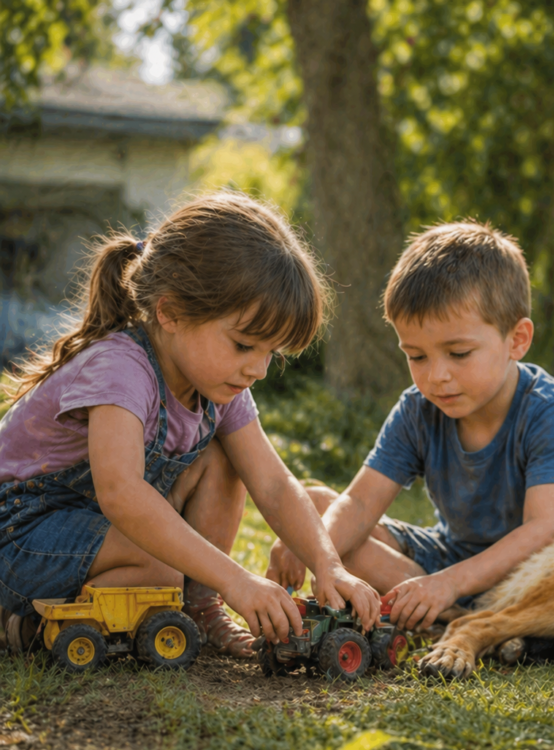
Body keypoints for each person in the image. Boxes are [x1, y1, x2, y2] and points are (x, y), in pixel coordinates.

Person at [0, 192, 379, 657]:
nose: (258, 369)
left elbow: (275, 484)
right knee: (158, 567)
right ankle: (29, 622)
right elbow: (121, 493)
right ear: (170, 311)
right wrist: (237, 579)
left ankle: (198, 606)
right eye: (244, 345)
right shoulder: (121, 368)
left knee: (225, 457)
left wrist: (328, 564)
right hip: (21, 530)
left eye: (270, 353)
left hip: (96, 526)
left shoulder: (219, 386)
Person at [266, 221, 554, 632]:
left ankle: (468, 614)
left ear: (517, 340)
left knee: (327, 530)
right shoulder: (419, 409)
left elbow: (545, 531)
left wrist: (448, 583)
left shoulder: (551, 411)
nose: (436, 376)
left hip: (551, 575)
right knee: (317, 509)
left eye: (459, 353)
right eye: (417, 356)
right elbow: (360, 503)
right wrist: (313, 549)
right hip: (455, 559)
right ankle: (456, 616)